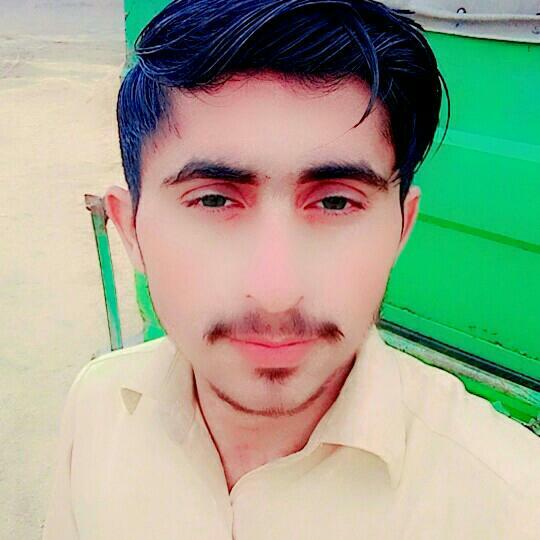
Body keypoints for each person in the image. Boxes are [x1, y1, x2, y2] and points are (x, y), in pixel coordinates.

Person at [43, 1, 540, 538]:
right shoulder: (98, 408)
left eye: (335, 202)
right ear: (130, 230)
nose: (276, 292)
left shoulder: (514, 505)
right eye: (214, 200)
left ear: (402, 228)